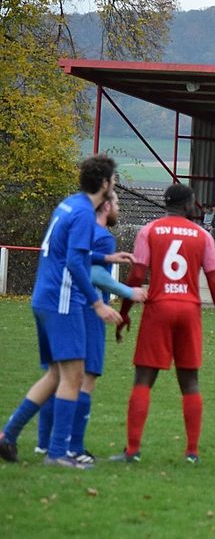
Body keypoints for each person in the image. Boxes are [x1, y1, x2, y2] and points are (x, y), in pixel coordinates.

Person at [0, 155, 125, 468]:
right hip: (62, 300)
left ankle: (8, 435)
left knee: (56, 373)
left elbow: (66, 251)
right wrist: (97, 303)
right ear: (105, 183)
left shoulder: (69, 204)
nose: (114, 184)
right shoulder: (84, 214)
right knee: (74, 375)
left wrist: (105, 259)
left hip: (44, 296)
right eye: (113, 180)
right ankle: (57, 453)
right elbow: (73, 262)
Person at [111, 183, 215, 464]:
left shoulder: (149, 230)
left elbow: (136, 275)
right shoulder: (203, 236)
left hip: (158, 308)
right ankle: (192, 452)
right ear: (188, 204)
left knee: (143, 380)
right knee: (190, 382)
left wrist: (125, 311)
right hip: (188, 310)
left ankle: (132, 450)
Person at [34, 192, 146, 462]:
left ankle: (44, 443)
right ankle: (74, 447)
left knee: (59, 376)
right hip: (88, 308)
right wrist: (128, 292)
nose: (118, 208)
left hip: (63, 304)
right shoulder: (103, 236)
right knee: (86, 377)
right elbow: (92, 273)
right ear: (106, 205)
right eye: (116, 203)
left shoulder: (76, 224)